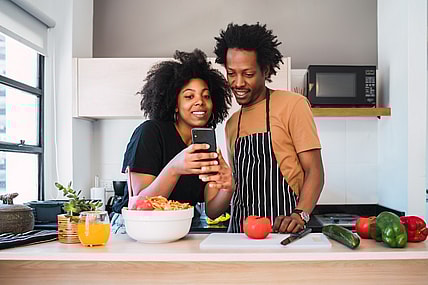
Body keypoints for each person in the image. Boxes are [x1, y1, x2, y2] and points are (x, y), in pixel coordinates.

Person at [213, 23, 325, 233]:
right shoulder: (231, 124)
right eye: (231, 73)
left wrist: (300, 215)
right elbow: (237, 184)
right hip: (240, 233)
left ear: (265, 70)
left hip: (284, 230)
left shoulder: (292, 105)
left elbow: (315, 171)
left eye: (247, 74)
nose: (238, 83)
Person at [111, 49, 233, 233]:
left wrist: (227, 187)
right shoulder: (150, 132)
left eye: (206, 96)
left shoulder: (204, 143)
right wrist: (175, 168)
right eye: (189, 96)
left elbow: (213, 211)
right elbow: (140, 204)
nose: (200, 102)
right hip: (137, 229)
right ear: (175, 103)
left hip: (179, 227)